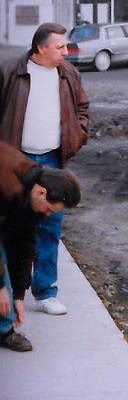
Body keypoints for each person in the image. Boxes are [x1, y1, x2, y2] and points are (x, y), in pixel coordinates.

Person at [0, 22, 89, 315]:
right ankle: (8, 288)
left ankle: (45, 291)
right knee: (9, 225)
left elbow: (82, 108)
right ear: (41, 48)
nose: (66, 51)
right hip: (16, 160)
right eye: (60, 46)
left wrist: (78, 135)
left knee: (50, 224)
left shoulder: (68, 73)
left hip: (53, 159)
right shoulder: (10, 71)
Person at [0, 139, 81, 351]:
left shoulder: (31, 192)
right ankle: (4, 328)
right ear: (41, 193)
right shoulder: (8, 185)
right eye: (48, 210)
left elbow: (23, 247)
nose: (47, 215)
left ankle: (3, 329)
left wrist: (18, 295)